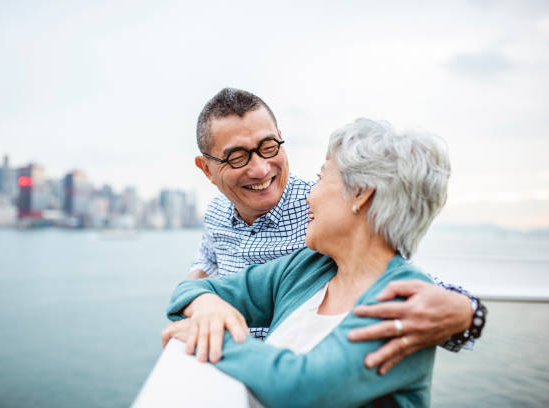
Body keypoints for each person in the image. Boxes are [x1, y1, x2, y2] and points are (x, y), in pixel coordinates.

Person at [182, 88, 486, 373]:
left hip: (292, 380)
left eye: (268, 146)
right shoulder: (216, 213)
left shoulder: (323, 216)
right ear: (206, 169)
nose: (261, 169)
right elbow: (207, 257)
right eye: (237, 157)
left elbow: (393, 276)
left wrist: (466, 312)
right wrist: (201, 300)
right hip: (222, 375)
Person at [164, 119, 451, 407]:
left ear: (362, 193)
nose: (308, 196)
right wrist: (207, 305)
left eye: (320, 177)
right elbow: (188, 292)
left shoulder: (407, 301)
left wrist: (215, 340)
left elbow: (303, 388)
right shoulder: (309, 266)